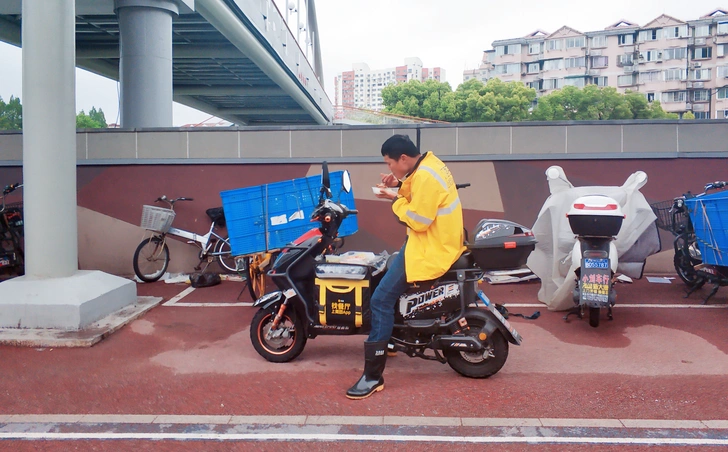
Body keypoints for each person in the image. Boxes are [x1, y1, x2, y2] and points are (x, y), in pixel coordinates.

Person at [346, 134, 466, 400]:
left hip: (429, 247)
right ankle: (388, 338)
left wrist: (394, 198)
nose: (388, 168)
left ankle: (373, 376)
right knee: (383, 280)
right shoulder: (429, 164)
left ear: (403, 158)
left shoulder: (424, 175)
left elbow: (418, 219)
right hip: (439, 241)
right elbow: (421, 193)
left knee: (379, 300)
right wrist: (398, 184)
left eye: (389, 164)